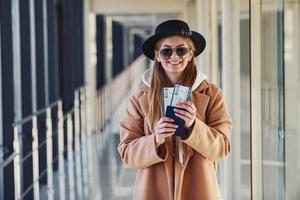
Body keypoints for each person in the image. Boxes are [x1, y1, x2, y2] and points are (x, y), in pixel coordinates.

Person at [118, 19, 232, 200]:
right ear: (157, 54)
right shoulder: (139, 98)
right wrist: (155, 140)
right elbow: (127, 152)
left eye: (181, 50)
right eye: (166, 51)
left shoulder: (212, 94)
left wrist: (194, 126)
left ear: (191, 53)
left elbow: (222, 148)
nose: (174, 56)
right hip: (153, 191)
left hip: (199, 189)